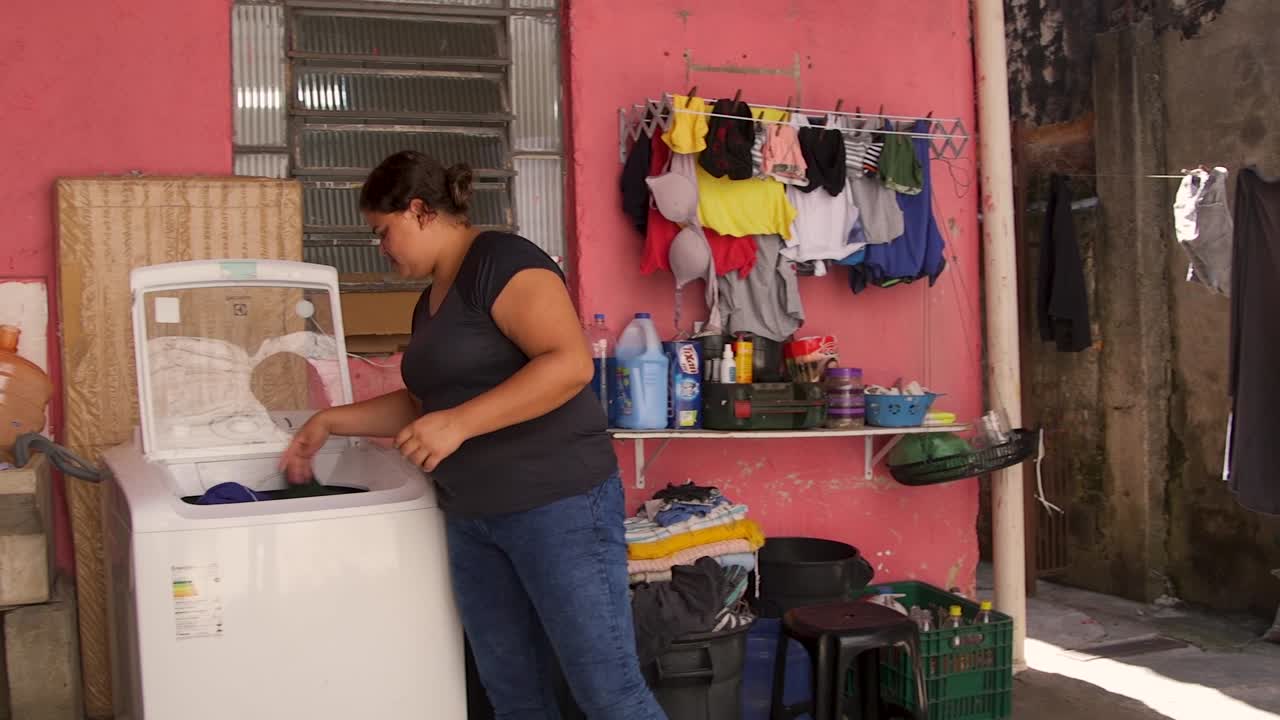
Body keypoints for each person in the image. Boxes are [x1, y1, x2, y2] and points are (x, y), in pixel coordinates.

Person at [280, 150, 666, 720]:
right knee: (512, 693)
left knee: (606, 692)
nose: (382, 249)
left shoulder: (502, 262)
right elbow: (423, 404)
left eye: (383, 233)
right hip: (474, 521)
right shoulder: (430, 302)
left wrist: (459, 424)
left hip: (556, 508)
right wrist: (329, 422)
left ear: (419, 211)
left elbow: (568, 365)